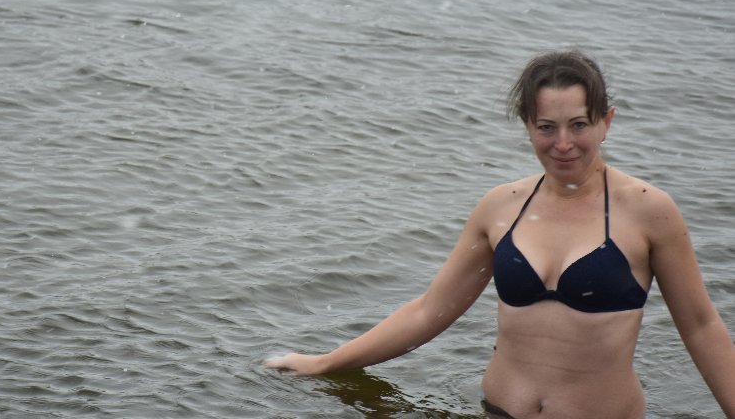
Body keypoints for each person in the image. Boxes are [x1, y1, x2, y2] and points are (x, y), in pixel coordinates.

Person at [264, 50, 735, 419]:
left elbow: (700, 326)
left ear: (606, 122)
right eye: (546, 127)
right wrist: (325, 363)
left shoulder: (649, 210)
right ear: (528, 126)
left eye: (578, 125)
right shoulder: (501, 207)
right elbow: (430, 311)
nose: (563, 144)